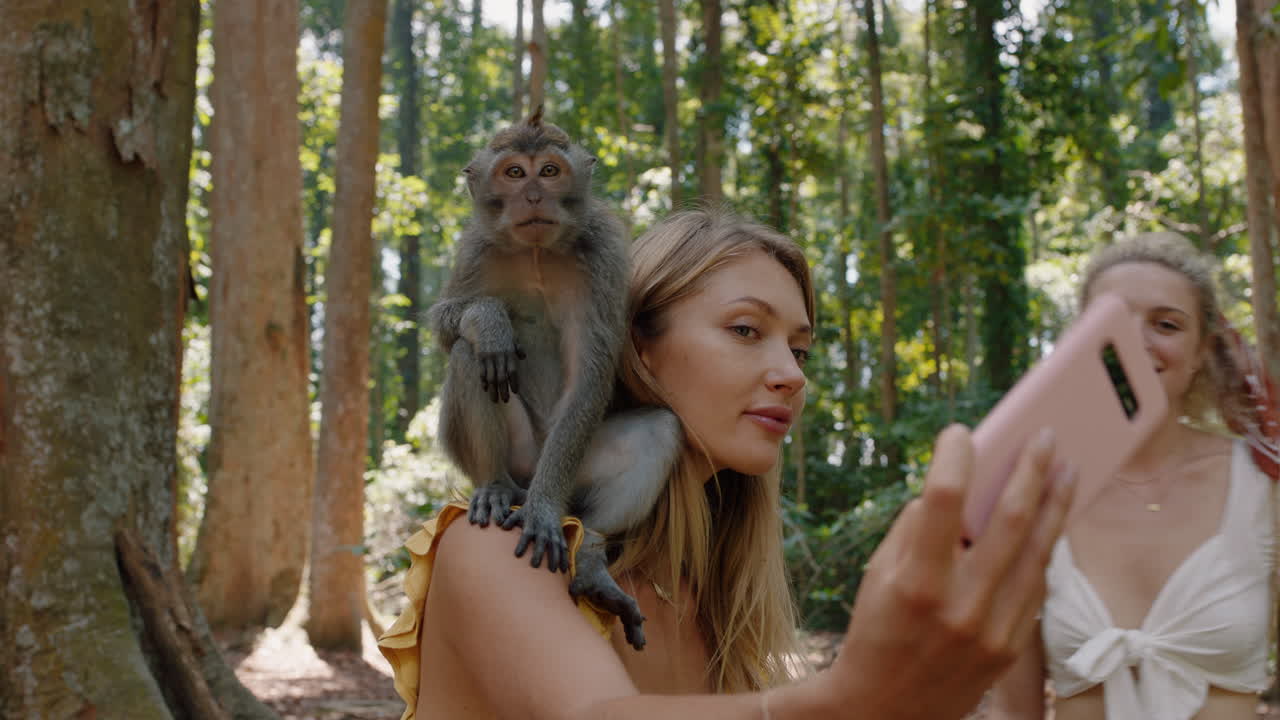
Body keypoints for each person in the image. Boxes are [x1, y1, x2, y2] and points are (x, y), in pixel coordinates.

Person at [378, 209, 1078, 720]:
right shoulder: (497, 547)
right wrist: (855, 698)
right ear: (637, 348)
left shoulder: (714, 600)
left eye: (799, 351)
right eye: (746, 330)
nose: (790, 375)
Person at [989, 231, 1280, 720]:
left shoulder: (1263, 486)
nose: (1136, 341)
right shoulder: (1033, 496)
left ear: (1203, 350)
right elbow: (1013, 711)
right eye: (1114, 320)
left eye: (1166, 324)